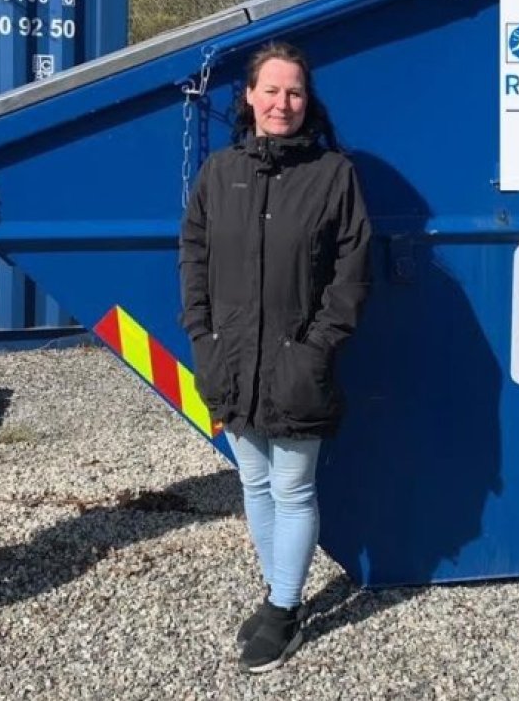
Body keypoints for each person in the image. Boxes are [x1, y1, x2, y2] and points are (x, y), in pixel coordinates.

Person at [179, 41, 372, 674]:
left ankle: (285, 611)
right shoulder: (219, 173)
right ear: (249, 96)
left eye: (294, 92)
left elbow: (351, 274)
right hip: (230, 361)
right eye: (271, 90)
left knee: (292, 488)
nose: (282, 103)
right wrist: (202, 338)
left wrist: (316, 350)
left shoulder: (333, 175)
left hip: (297, 367)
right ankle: (276, 594)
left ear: (307, 101)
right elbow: (194, 260)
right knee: (254, 482)